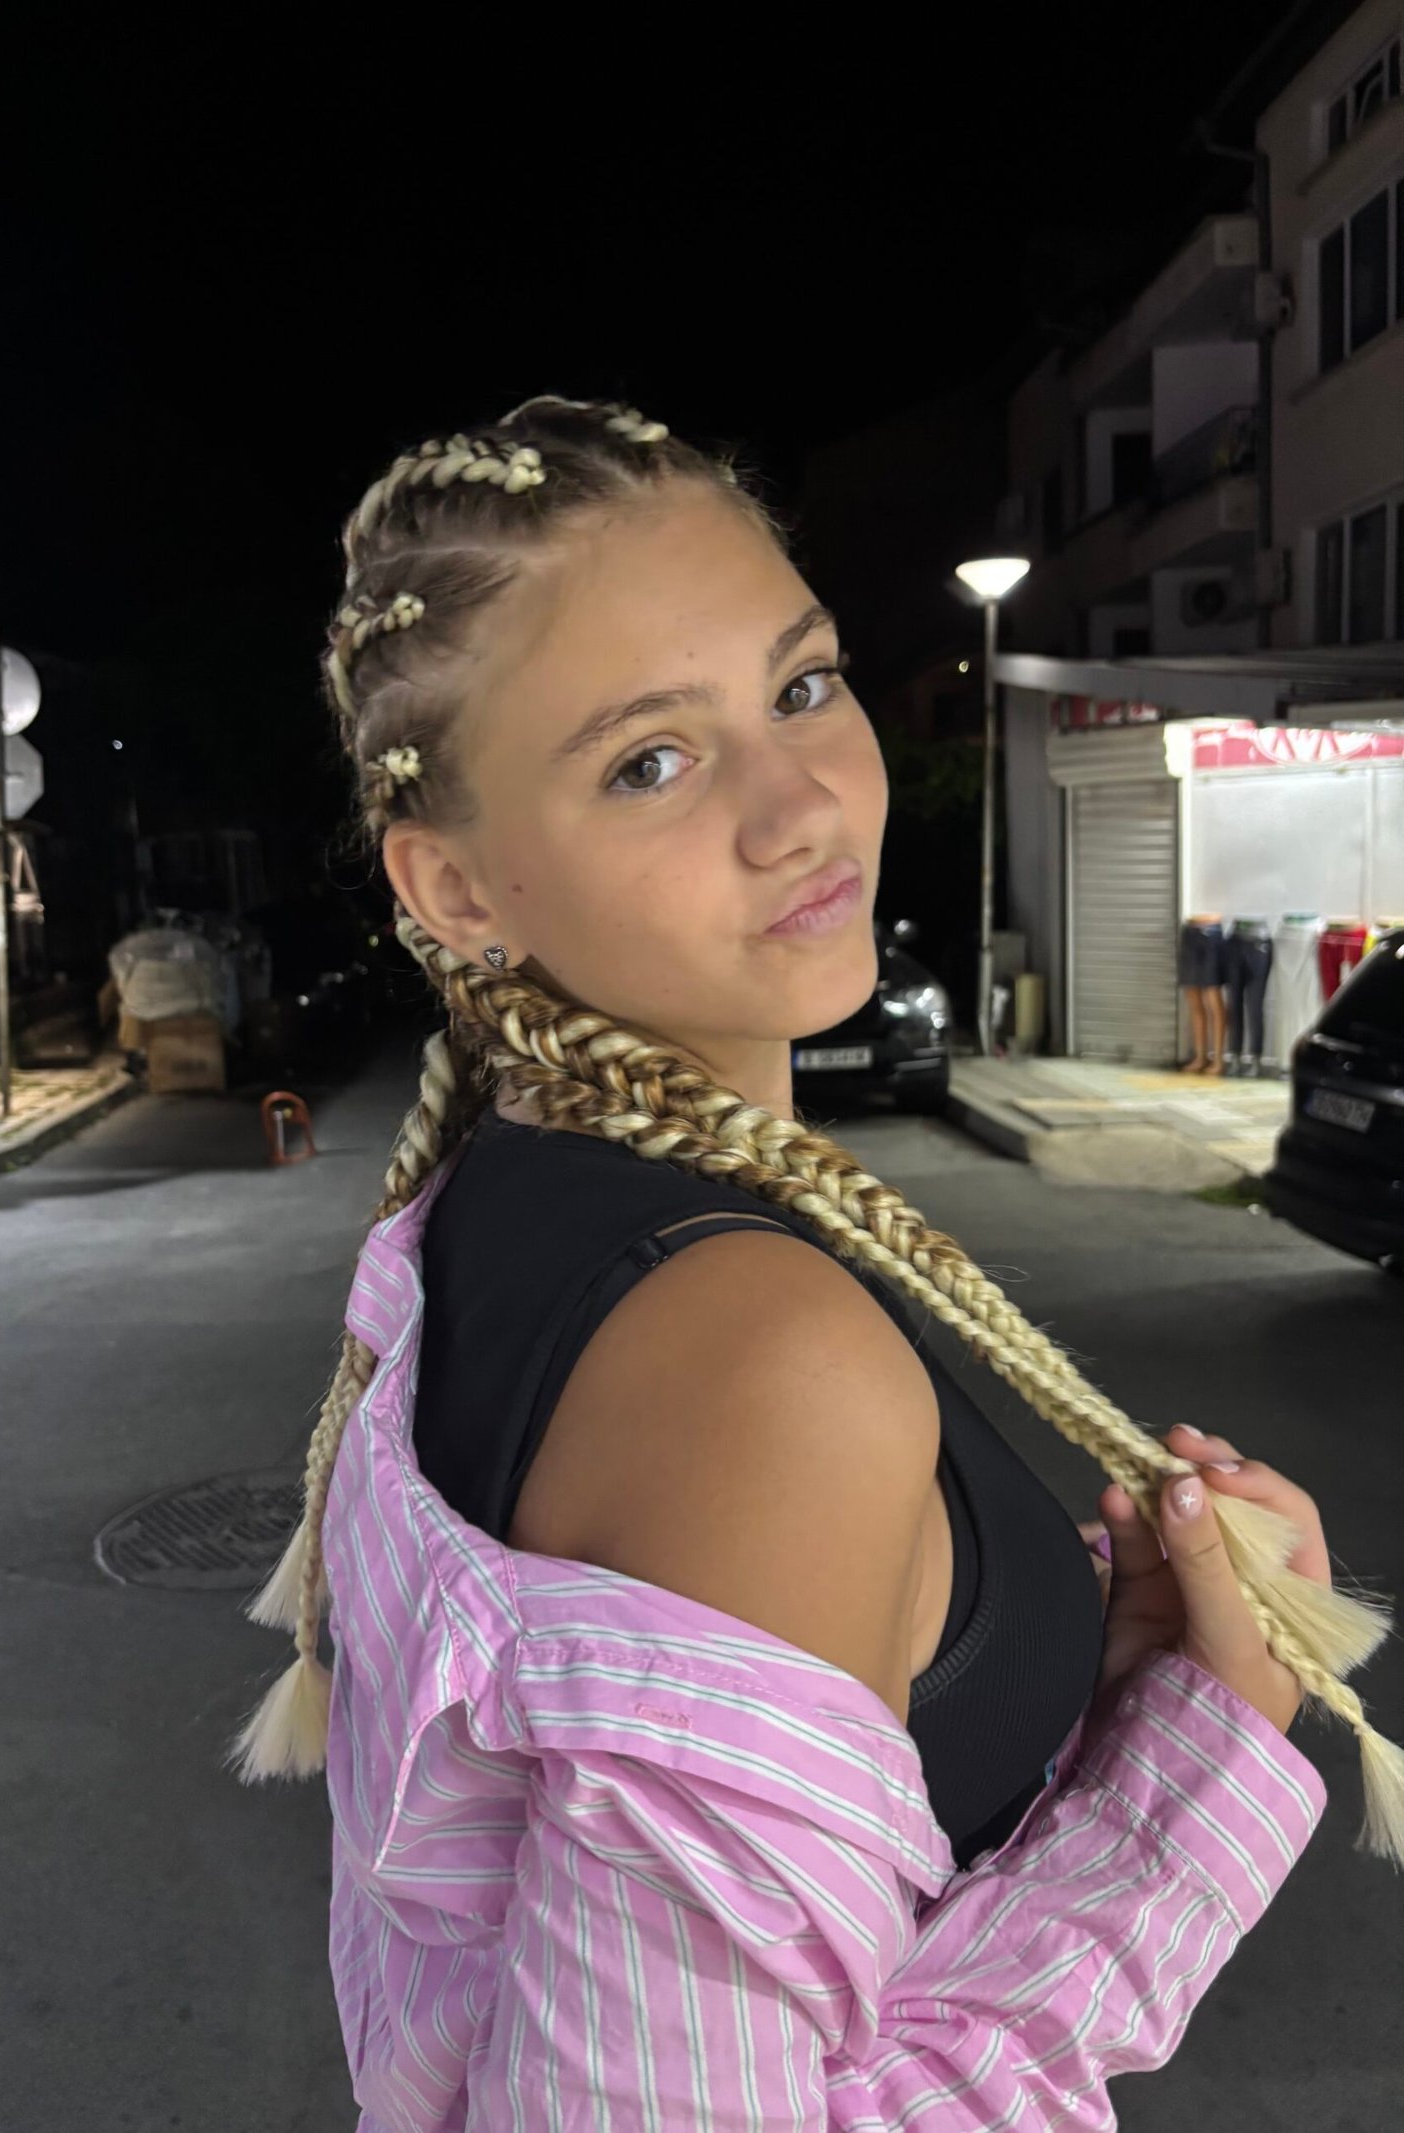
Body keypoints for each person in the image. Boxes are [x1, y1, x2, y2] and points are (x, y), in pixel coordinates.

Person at [231, 398, 1400, 2128]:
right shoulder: (754, 1357)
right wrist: (1196, 1771)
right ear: (456, 889)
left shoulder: (496, 1197)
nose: (800, 805)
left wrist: (1060, 1669)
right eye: (650, 760)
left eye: (800, 685)